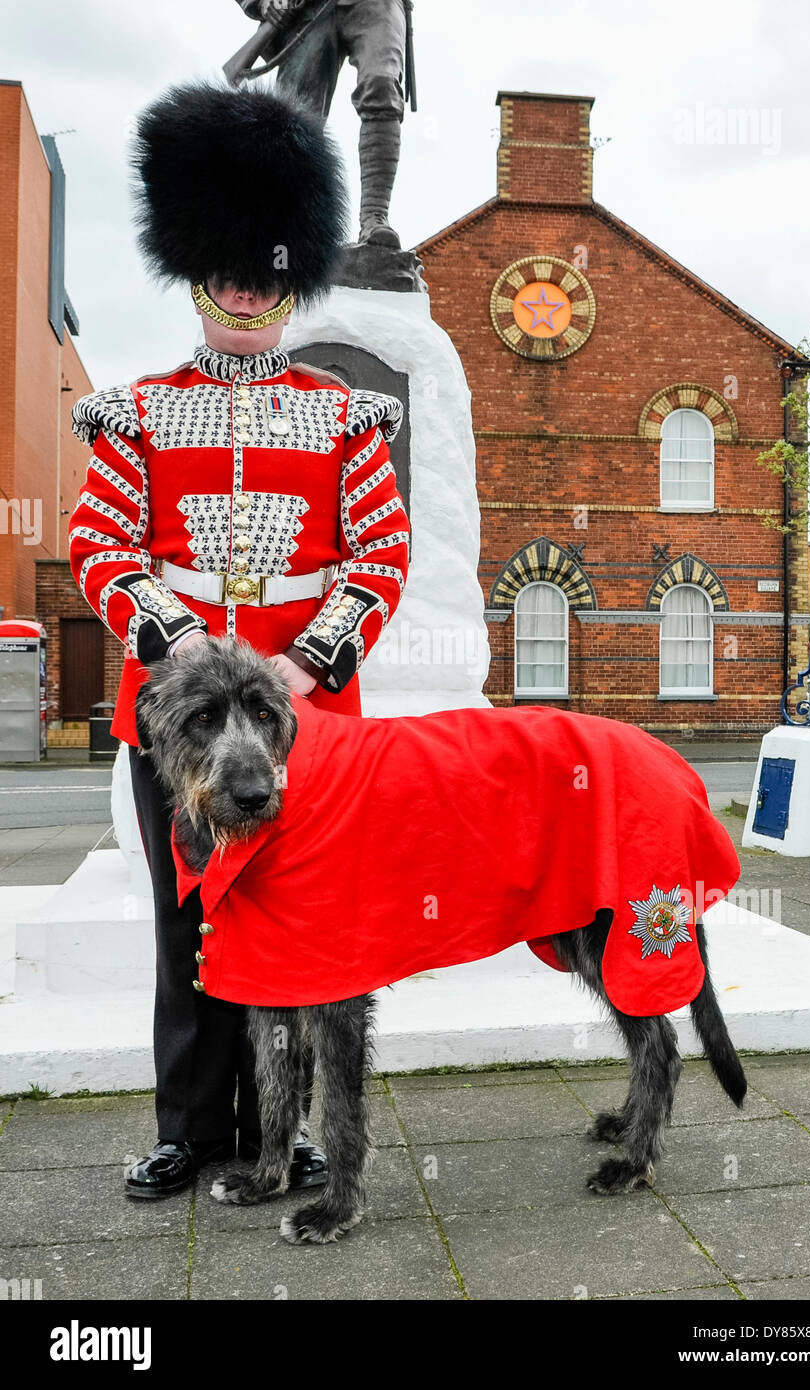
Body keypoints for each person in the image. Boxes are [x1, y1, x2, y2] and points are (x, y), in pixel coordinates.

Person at [68, 80, 410, 1197]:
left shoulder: (343, 412)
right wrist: (172, 642)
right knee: (186, 929)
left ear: (287, 278)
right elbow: (101, 543)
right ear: (196, 273)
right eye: (227, 273)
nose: (245, 292)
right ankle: (193, 1127)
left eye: (264, 274)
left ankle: (282, 1132)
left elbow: (378, 555)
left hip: (301, 724)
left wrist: (305, 664)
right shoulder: (138, 408)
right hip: (177, 722)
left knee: (295, 925)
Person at [236, 0, 409, 246]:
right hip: (308, 7)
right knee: (295, 116)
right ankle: (288, 228)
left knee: (381, 84)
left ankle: (375, 218)